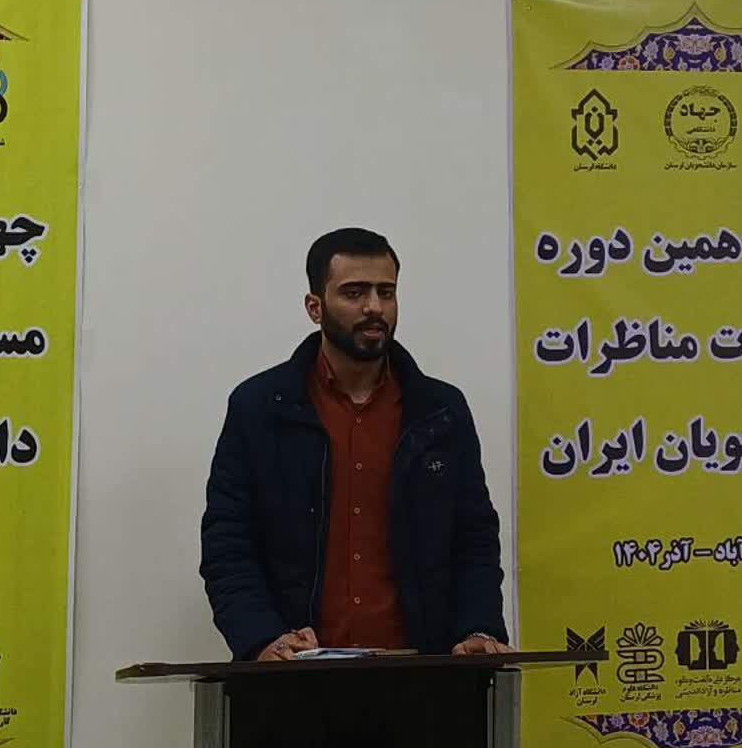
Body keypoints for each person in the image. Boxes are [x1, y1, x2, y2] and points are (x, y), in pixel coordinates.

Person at [199, 227, 510, 661]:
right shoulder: (259, 407)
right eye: (354, 292)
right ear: (315, 307)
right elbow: (228, 542)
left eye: (387, 292)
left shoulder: (440, 411)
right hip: (293, 674)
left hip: (422, 672)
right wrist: (261, 638)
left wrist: (478, 627)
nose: (374, 307)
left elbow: (474, 538)